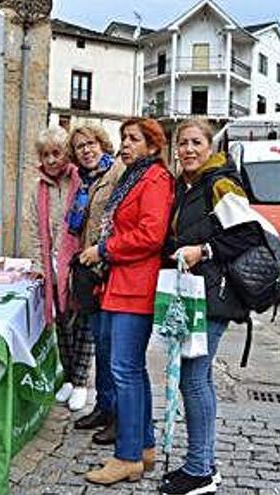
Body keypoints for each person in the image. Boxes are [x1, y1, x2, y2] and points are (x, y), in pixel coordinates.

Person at [160, 119, 262, 495]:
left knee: (194, 378)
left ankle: (200, 470)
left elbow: (248, 235)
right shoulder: (186, 186)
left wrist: (202, 250)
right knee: (196, 378)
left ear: (209, 146)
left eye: (195, 142)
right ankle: (204, 464)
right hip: (194, 295)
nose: (188, 149)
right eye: (182, 143)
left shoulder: (219, 182)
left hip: (216, 298)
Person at [80, 118, 173, 485]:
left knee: (124, 370)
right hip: (122, 283)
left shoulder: (154, 179)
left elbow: (151, 234)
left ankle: (128, 456)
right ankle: (144, 447)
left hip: (137, 284)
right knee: (131, 369)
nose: (126, 144)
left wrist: (104, 249)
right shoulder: (134, 176)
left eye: (134, 139)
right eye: (124, 138)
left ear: (152, 146)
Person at [19, 127, 84, 409]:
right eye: (46, 155)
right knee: (61, 323)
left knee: (82, 324)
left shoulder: (79, 181)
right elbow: (34, 228)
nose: (52, 160)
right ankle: (68, 377)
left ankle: (81, 381)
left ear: (66, 153)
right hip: (52, 265)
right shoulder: (38, 188)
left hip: (78, 263)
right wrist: (37, 263)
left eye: (57, 153)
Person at [68, 124, 126, 439]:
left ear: (102, 144)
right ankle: (104, 407)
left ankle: (116, 415)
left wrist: (103, 252)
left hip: (111, 270)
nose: (87, 150)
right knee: (101, 344)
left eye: (90, 144)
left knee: (112, 347)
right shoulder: (87, 182)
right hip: (93, 271)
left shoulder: (116, 173)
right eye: (80, 147)